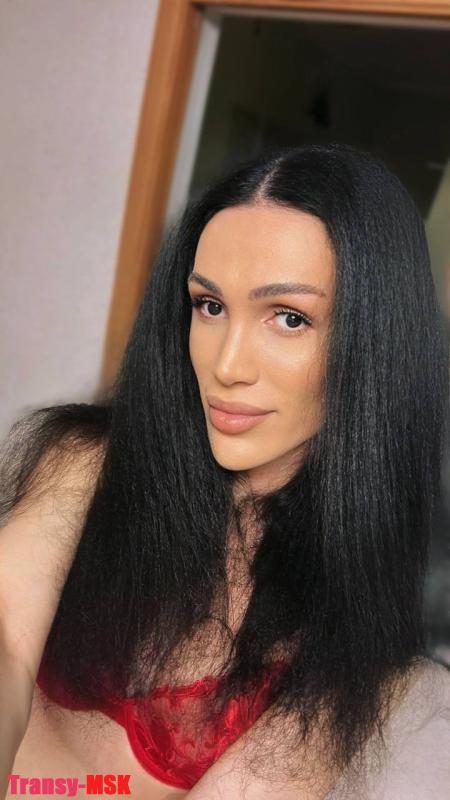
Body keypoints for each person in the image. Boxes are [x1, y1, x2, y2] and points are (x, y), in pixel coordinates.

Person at [1, 142, 449, 800]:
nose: (227, 364)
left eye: (289, 318)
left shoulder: (349, 627)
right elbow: (8, 637)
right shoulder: (88, 464)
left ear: (374, 344)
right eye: (209, 306)